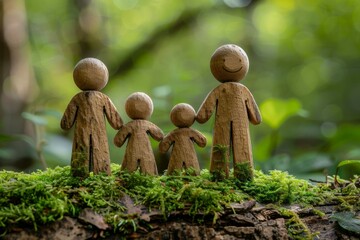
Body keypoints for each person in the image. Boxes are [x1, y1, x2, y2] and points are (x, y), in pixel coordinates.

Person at [196, 44, 261, 180]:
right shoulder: (221, 90)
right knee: (221, 145)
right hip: (222, 124)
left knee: (241, 145)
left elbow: (255, 116)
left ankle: (244, 175)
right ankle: (219, 174)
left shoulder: (242, 90)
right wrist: (201, 116)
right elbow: (256, 118)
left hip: (240, 126)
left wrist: (200, 116)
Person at [61, 58, 122, 177]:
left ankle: (80, 174)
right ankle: (101, 173)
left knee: (81, 151)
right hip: (99, 134)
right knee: (98, 151)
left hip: (81, 133)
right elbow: (117, 122)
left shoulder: (77, 99)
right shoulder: (104, 99)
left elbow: (65, 123)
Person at [114, 92, 163, 175]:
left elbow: (118, 141)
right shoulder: (148, 125)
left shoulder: (129, 126)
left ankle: (127, 177)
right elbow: (160, 135)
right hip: (145, 151)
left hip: (133, 151)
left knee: (129, 169)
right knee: (147, 169)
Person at [160, 103, 206, 175]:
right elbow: (202, 142)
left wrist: (163, 146)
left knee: (175, 171)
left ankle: (174, 176)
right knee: (192, 171)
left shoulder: (174, 134)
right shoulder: (190, 132)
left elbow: (163, 147)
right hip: (186, 156)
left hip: (179, 156)